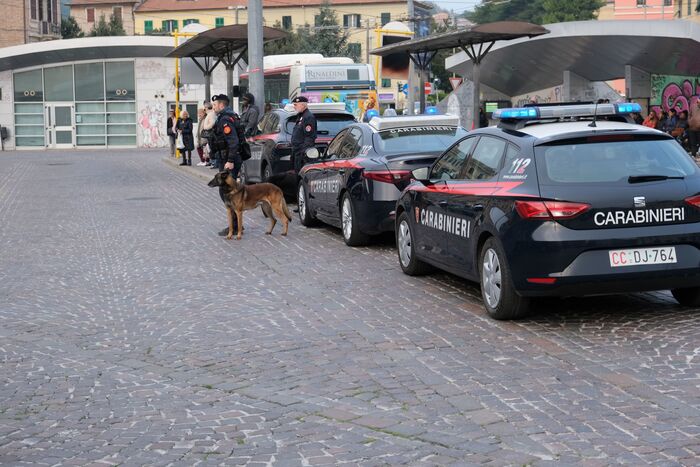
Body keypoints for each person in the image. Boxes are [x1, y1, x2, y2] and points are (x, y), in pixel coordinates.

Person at [210, 94, 242, 235]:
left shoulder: (225, 120)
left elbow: (233, 142)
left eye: (215, 104)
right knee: (228, 192)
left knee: (228, 192)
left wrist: (229, 161)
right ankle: (235, 224)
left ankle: (235, 226)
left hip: (229, 160)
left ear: (221, 105)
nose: (213, 107)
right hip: (228, 158)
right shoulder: (229, 116)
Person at [290, 95, 317, 177]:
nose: (294, 107)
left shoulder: (308, 117)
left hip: (301, 154)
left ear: (303, 105)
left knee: (300, 177)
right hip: (297, 152)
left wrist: (302, 152)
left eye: (296, 105)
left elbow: (309, 137)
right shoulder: (301, 116)